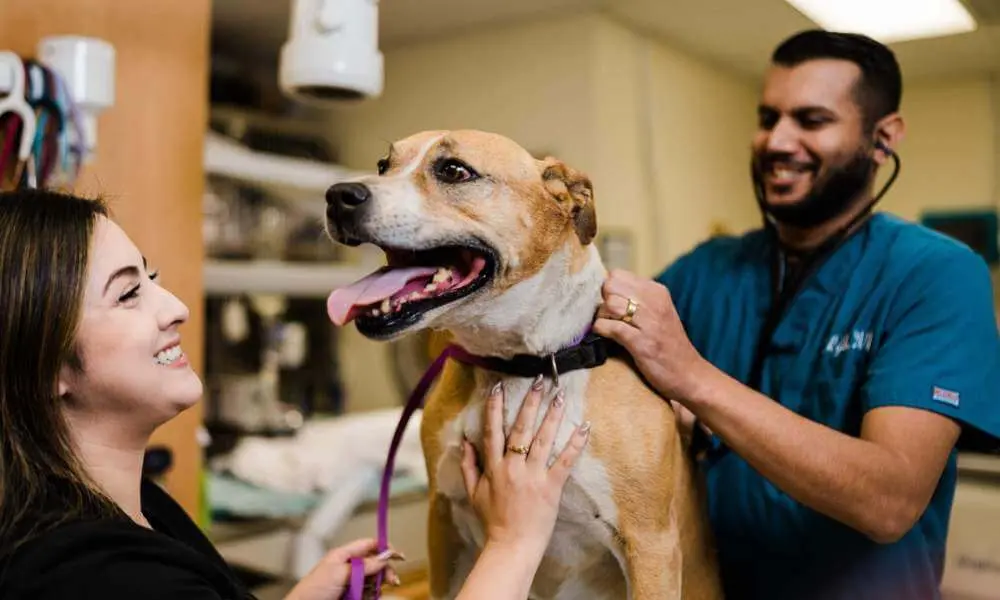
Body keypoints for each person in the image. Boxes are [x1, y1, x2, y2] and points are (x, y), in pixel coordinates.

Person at [0, 188, 589, 599]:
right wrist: (514, 542)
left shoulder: (144, 510)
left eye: (151, 280)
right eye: (128, 295)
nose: (176, 308)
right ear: (44, 360)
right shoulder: (89, 574)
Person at [593, 29, 1000, 600]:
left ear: (883, 139)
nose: (776, 141)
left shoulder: (935, 273)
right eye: (767, 118)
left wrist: (693, 379)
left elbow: (890, 501)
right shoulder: (707, 270)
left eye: (811, 121)